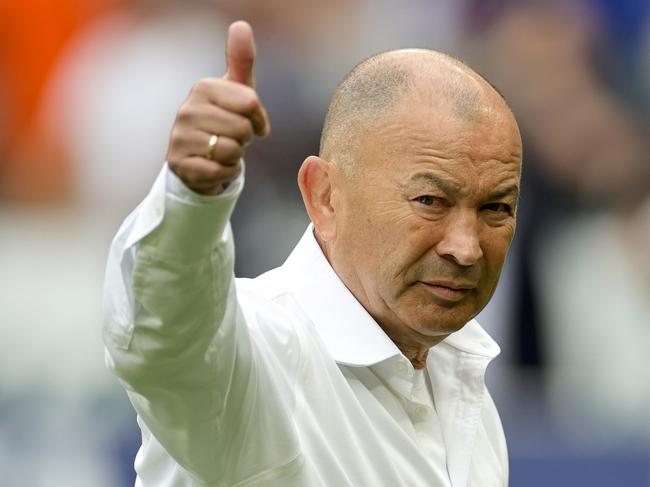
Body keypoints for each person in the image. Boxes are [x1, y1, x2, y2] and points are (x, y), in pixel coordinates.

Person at [103, 20, 522, 487]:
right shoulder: (260, 358)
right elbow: (167, 339)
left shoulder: (464, 380)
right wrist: (190, 200)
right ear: (324, 197)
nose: (466, 248)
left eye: (496, 207)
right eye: (430, 201)